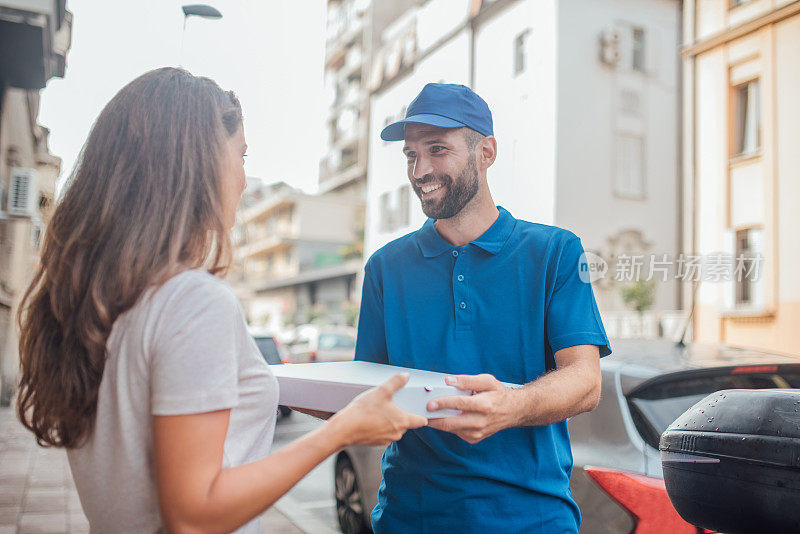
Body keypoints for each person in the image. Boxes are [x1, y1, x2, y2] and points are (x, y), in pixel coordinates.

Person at [15, 67, 426, 533]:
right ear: (197, 163)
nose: (245, 180)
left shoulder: (103, 298)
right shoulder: (192, 301)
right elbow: (193, 515)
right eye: (241, 156)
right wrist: (344, 430)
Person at [354, 83, 612, 533]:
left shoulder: (556, 252)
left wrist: (511, 406)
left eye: (437, 149)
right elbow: (367, 390)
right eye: (411, 155)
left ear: (486, 152)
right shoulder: (385, 267)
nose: (421, 169)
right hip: (410, 519)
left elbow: (585, 383)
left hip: (533, 519)